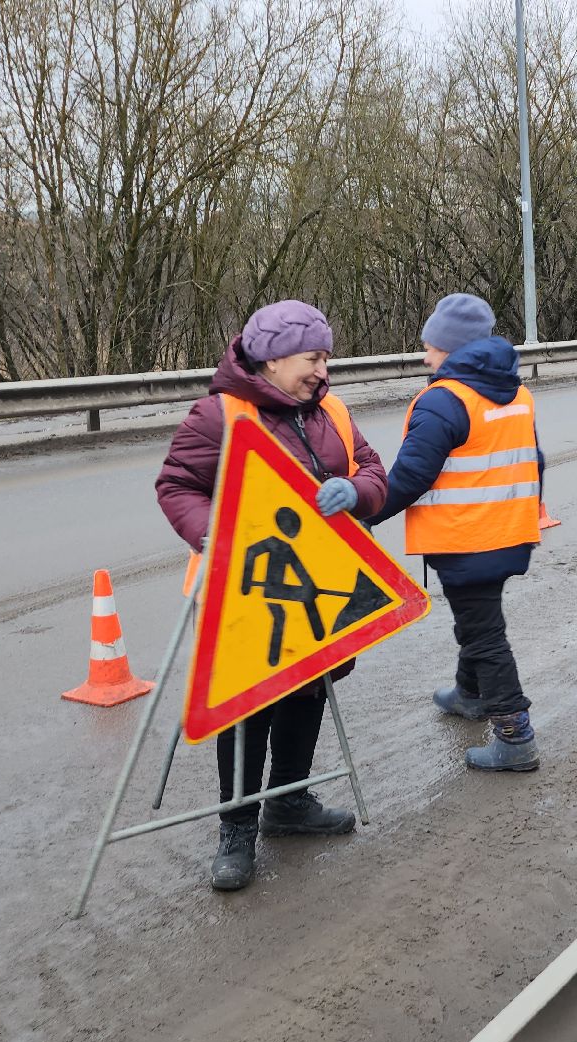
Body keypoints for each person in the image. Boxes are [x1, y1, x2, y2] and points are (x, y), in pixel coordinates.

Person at [155, 299, 389, 891]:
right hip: (246, 590)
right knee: (246, 706)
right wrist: (212, 532)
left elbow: (372, 469)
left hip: (320, 589)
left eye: (325, 358)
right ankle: (237, 827)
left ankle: (289, 803)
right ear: (273, 358)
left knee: (309, 688)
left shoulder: (330, 408)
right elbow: (177, 485)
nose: (322, 370)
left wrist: (355, 492)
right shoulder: (221, 414)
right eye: (313, 358)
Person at [366, 294, 544, 772]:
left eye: (431, 347)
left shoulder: (445, 400)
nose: (426, 356)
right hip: (508, 533)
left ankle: (514, 736)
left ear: (453, 349)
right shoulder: (516, 393)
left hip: (466, 539)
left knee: (484, 632)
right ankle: (469, 694)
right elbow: (534, 462)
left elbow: (409, 477)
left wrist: (365, 516)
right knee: (479, 618)